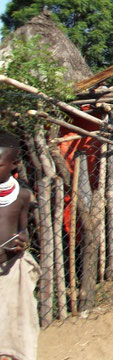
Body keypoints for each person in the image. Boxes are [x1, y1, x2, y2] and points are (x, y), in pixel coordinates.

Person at [0, 133, 39, 360]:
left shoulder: (21, 196)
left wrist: (22, 242)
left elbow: (23, 231)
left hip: (8, 272)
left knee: (11, 331)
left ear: (14, 164)